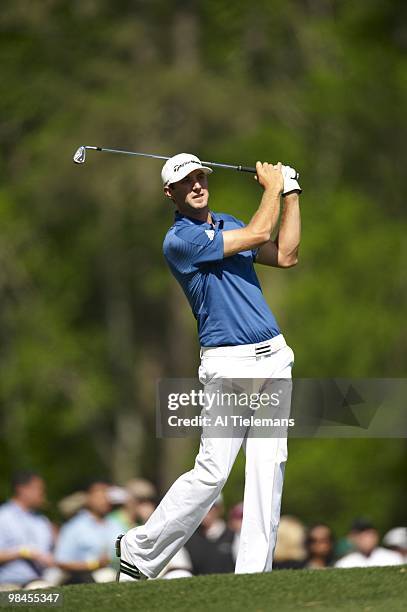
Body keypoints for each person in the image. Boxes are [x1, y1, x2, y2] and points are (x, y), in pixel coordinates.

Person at [117, 152, 301, 580]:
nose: (197, 185)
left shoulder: (231, 222)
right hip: (228, 363)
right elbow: (260, 232)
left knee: (267, 468)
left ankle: (254, 574)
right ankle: (140, 550)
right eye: (187, 182)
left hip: (274, 356)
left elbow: (287, 255)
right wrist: (272, 187)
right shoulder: (179, 241)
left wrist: (291, 194)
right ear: (171, 193)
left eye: (200, 178)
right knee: (213, 471)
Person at [54, 480, 118, 583]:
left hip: (117, 573)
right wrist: (95, 564)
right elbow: (62, 562)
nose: (105, 500)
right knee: (106, 576)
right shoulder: (74, 527)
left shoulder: (115, 524)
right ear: (88, 498)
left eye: (107, 495)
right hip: (86, 578)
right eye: (100, 496)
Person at [0, 471, 55, 588]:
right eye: (39, 489)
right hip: (9, 586)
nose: (43, 494)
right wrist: (23, 552)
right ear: (22, 489)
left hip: (43, 581)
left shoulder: (42, 521)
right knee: (50, 599)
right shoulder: (3, 517)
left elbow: (51, 555)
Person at [184, 494, 235, 575]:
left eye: (210, 506)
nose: (205, 511)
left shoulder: (234, 536)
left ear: (220, 509)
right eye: (201, 507)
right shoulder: (189, 540)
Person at [335, 519, 403, 568]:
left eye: (368, 533)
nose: (365, 538)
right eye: (359, 534)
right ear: (352, 538)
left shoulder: (394, 557)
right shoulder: (344, 563)